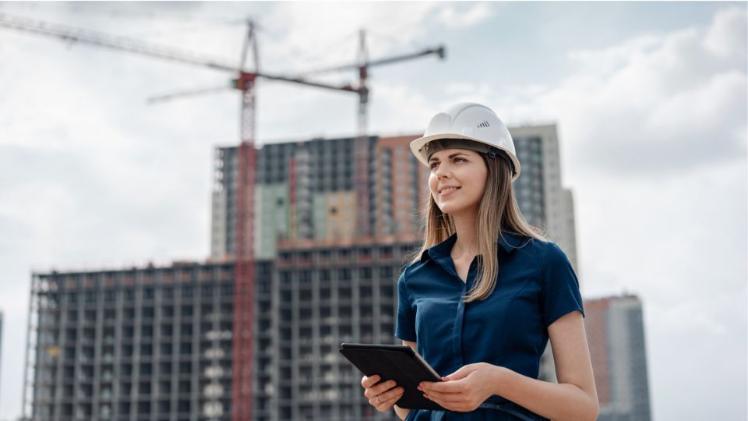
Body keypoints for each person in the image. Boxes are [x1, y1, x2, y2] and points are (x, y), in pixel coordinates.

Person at [360, 103, 599, 420]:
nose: (441, 173)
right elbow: (412, 409)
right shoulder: (415, 278)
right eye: (434, 164)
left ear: (494, 168)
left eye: (457, 159)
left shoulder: (544, 262)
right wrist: (391, 393)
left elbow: (583, 407)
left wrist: (499, 381)